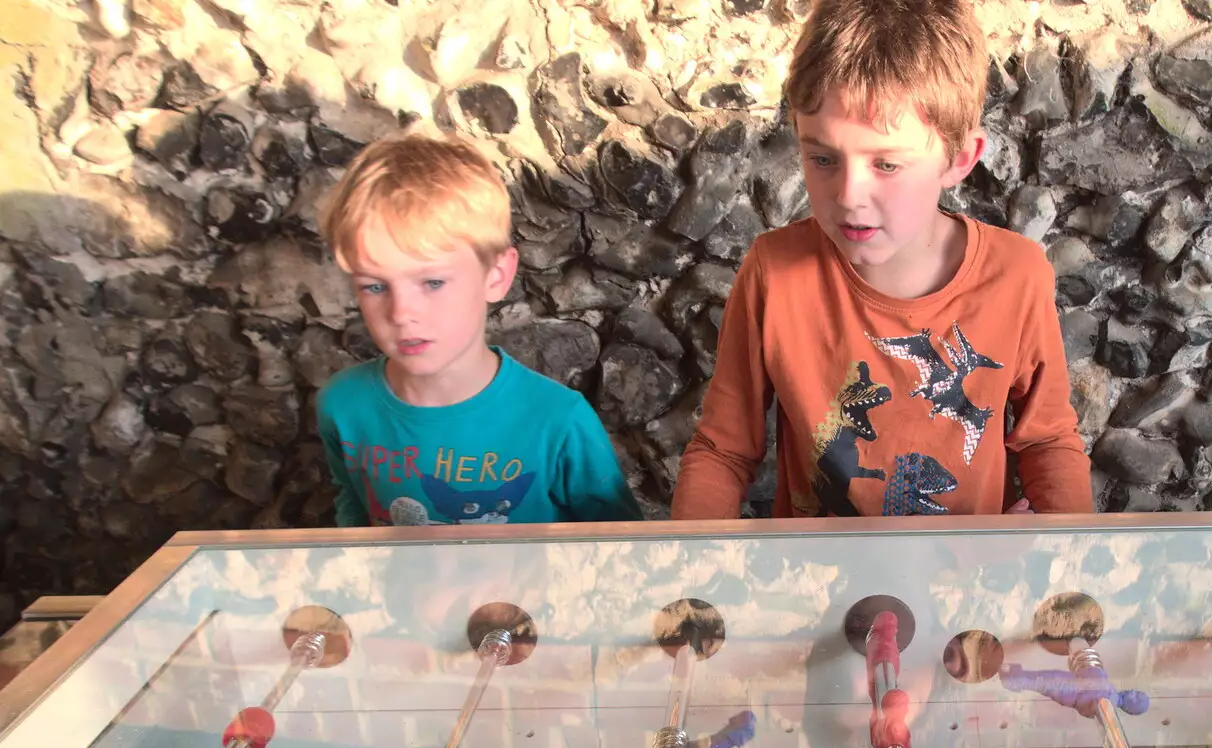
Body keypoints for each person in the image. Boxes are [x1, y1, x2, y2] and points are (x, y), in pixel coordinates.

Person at [670, 0, 1093, 520]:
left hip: (963, 582)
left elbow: (1048, 442)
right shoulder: (772, 272)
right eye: (822, 158)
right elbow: (722, 450)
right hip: (819, 584)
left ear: (959, 158)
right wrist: (696, 578)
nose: (849, 195)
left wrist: (1065, 562)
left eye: (887, 163)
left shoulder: (1017, 275)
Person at [315, 135, 640, 527]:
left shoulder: (559, 422)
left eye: (432, 282)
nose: (401, 313)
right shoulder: (342, 405)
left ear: (496, 275)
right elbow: (352, 509)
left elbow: (619, 549)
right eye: (375, 286)